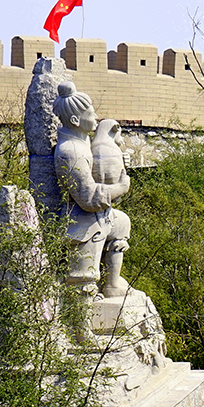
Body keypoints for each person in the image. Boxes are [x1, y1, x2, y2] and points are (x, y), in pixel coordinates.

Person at [52, 81, 131, 299]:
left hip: (99, 217)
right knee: (83, 280)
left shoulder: (83, 143)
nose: (96, 118)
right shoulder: (71, 151)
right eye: (92, 113)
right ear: (76, 120)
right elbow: (88, 197)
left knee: (121, 222)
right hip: (83, 222)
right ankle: (82, 331)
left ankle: (112, 284)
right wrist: (121, 187)